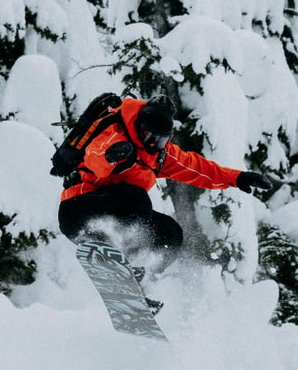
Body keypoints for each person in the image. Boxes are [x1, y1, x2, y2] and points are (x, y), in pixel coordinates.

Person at [57, 94, 268, 256]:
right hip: (79, 210)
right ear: (139, 126)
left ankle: (141, 275)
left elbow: (199, 169)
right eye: (148, 135)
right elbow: (94, 157)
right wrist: (110, 157)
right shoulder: (116, 134)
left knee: (170, 233)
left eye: (160, 139)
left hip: (115, 216)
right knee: (136, 198)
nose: (152, 144)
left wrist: (238, 178)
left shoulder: (160, 155)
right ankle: (112, 249)